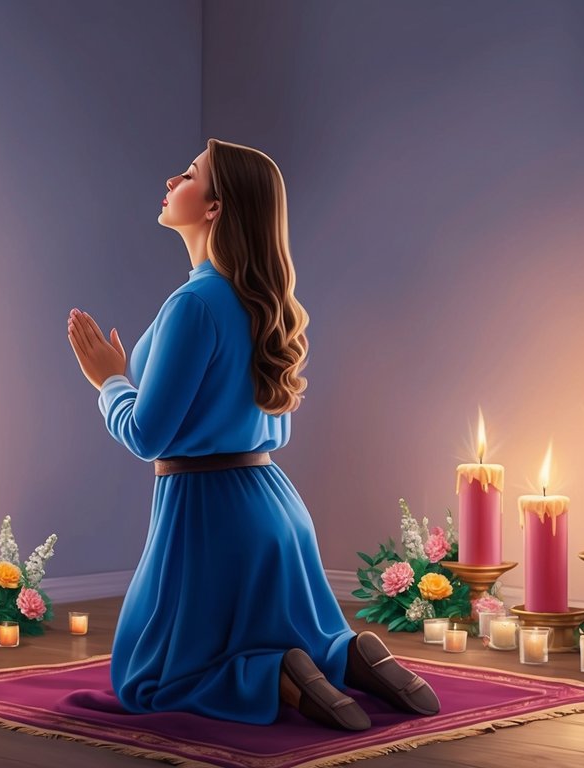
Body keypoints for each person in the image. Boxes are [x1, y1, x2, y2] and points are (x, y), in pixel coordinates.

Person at [66, 139, 441, 730]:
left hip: (205, 514)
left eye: (189, 174)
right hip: (274, 505)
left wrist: (108, 381)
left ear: (215, 208)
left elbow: (146, 435)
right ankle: (346, 654)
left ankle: (274, 676)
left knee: (146, 677)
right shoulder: (262, 300)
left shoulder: (194, 303)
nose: (171, 178)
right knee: (288, 631)